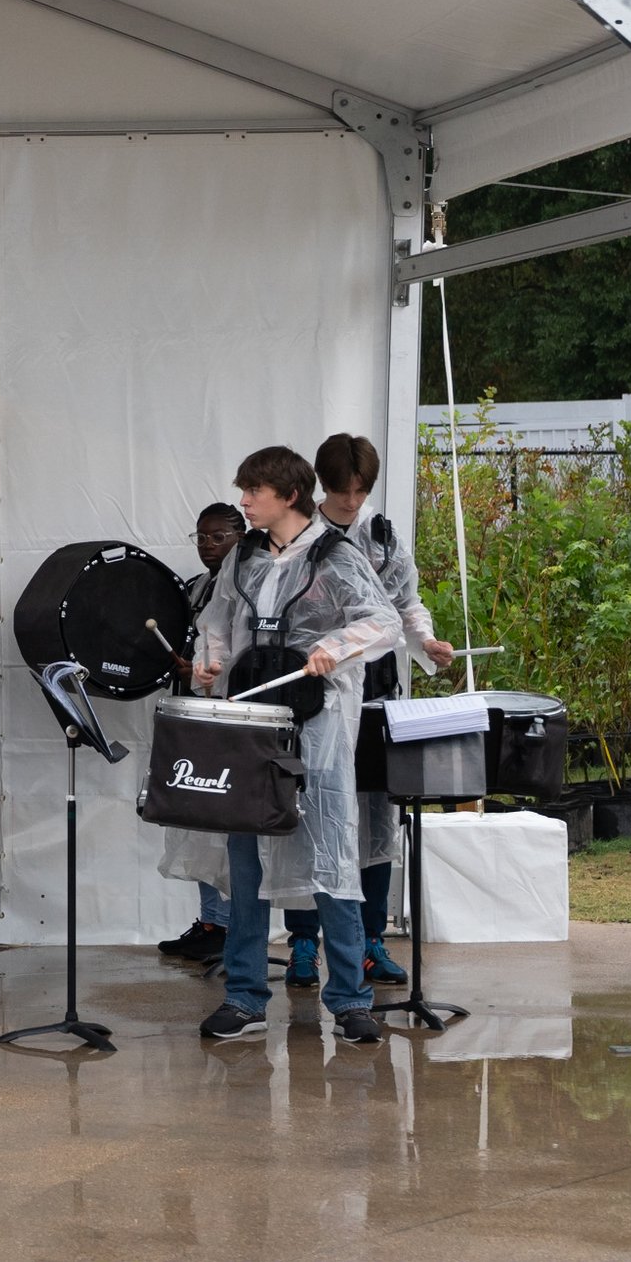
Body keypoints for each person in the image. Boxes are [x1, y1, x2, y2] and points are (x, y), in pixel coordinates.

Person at [185, 446, 400, 1046]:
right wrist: (211, 663)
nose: (244, 501)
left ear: (286, 495)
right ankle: (245, 995)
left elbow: (382, 621)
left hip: (318, 722)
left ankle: (350, 1000)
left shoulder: (336, 556)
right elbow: (219, 621)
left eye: (252, 492)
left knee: (332, 848)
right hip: (251, 721)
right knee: (246, 856)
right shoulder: (245, 556)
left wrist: (340, 645)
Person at [279, 433, 459, 991]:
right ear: (321, 485)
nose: (351, 501)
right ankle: (304, 941)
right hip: (316, 690)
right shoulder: (300, 537)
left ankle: (370, 938)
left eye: (360, 490)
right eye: (340, 490)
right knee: (310, 808)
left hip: (376, 687)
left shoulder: (382, 534)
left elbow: (406, 601)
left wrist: (425, 640)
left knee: (377, 810)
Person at [155, 500, 247, 963]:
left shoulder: (250, 584)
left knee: (228, 824)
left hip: (228, 717)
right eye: (201, 537)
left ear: (241, 536)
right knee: (198, 819)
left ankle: (232, 925)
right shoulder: (194, 589)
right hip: (194, 713)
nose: (208, 546)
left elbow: (245, 649)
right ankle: (211, 921)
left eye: (219, 537)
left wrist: (210, 669)